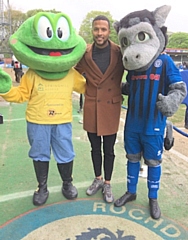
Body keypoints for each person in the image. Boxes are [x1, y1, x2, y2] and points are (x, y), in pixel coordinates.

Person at [113, 5, 187, 219]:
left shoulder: (164, 61)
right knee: (132, 158)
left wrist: (171, 103)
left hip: (153, 124)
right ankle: (131, 191)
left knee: (153, 162)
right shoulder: (133, 69)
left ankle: (153, 198)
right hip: (133, 124)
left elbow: (179, 88)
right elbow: (130, 88)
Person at [75, 15, 125, 203]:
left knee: (109, 149)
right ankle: (97, 179)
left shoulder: (119, 52)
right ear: (92, 31)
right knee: (95, 148)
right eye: (96, 29)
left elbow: (136, 64)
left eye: (103, 29)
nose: (99, 33)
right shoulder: (85, 53)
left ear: (109, 31)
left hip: (111, 107)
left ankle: (108, 182)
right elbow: (74, 72)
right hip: (92, 106)